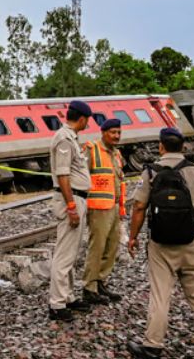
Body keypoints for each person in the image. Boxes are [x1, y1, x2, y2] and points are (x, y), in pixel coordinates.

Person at [126, 127, 194, 358]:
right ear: (183, 147)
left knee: (160, 296)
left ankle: (153, 345)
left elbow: (138, 208)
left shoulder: (151, 173)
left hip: (161, 245)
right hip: (192, 241)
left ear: (161, 146)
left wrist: (133, 237)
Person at [48, 100, 93, 320]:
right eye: (88, 120)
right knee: (64, 254)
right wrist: (71, 206)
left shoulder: (72, 138)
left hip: (77, 197)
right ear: (82, 119)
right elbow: (63, 175)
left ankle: (68, 297)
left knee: (71, 252)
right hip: (71, 198)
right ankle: (56, 304)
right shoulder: (64, 139)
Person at [82, 118, 127, 305]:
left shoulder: (116, 154)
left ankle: (101, 281)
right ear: (103, 132)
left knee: (112, 246)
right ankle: (89, 288)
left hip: (115, 207)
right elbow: (82, 178)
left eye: (118, 132)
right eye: (113, 132)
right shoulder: (91, 150)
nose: (116, 136)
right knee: (97, 248)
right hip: (98, 208)